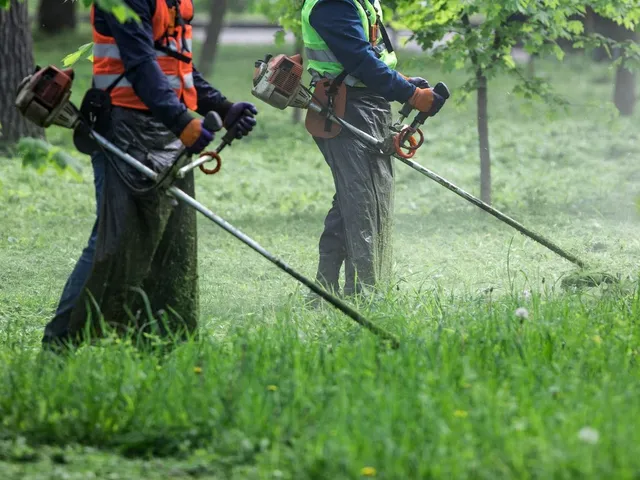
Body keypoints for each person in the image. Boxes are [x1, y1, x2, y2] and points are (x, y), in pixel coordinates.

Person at [42, 0, 258, 348]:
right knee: (113, 241)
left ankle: (160, 347)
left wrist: (221, 106)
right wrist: (182, 120)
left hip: (163, 135)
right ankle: (59, 345)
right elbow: (140, 64)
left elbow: (176, 69)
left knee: (169, 246)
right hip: (122, 129)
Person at [301, 0, 445, 298]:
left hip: (365, 104)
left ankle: (323, 290)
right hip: (344, 109)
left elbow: (371, 58)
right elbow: (360, 61)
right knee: (361, 204)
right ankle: (363, 296)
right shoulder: (332, 4)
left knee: (352, 201)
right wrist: (412, 95)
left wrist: (403, 83)